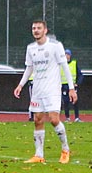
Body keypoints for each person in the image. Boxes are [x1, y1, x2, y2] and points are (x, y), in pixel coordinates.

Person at [12, 20, 75, 164]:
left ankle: (65, 149)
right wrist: (21, 85)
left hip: (52, 89)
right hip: (37, 90)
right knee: (37, 120)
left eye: (39, 28)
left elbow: (64, 66)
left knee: (54, 119)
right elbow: (29, 68)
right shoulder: (31, 48)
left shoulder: (55, 46)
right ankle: (39, 155)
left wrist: (71, 88)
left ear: (45, 30)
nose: (36, 30)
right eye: (34, 28)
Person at [62, 49, 84, 122]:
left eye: (68, 54)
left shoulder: (74, 63)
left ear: (70, 56)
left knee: (75, 101)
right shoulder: (61, 64)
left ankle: (77, 117)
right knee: (66, 102)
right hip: (64, 86)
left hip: (73, 86)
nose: (66, 56)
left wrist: (77, 83)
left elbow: (80, 75)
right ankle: (67, 117)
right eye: (65, 54)